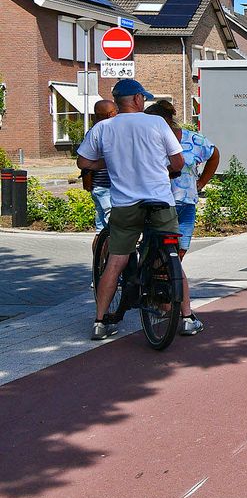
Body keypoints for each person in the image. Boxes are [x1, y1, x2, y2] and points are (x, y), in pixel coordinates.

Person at [76, 79, 195, 341]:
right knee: (170, 254)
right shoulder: (156, 123)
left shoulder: (103, 128)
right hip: (160, 202)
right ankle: (186, 318)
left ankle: (99, 323)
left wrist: (105, 165)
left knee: (117, 261)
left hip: (125, 205)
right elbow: (178, 161)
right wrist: (169, 170)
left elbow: (83, 161)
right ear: (138, 99)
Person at [145, 100, 219, 259]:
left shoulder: (193, 139)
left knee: (182, 248)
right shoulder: (146, 142)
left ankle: (172, 279)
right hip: (159, 203)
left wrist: (201, 182)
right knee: (155, 247)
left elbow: (214, 155)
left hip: (186, 202)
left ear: (167, 121)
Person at [81, 99, 117, 232]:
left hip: (97, 186)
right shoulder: (108, 132)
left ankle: (99, 252)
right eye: (115, 112)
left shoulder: (92, 132)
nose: (117, 114)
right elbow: (83, 162)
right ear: (109, 115)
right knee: (114, 225)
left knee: (100, 228)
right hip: (106, 185)